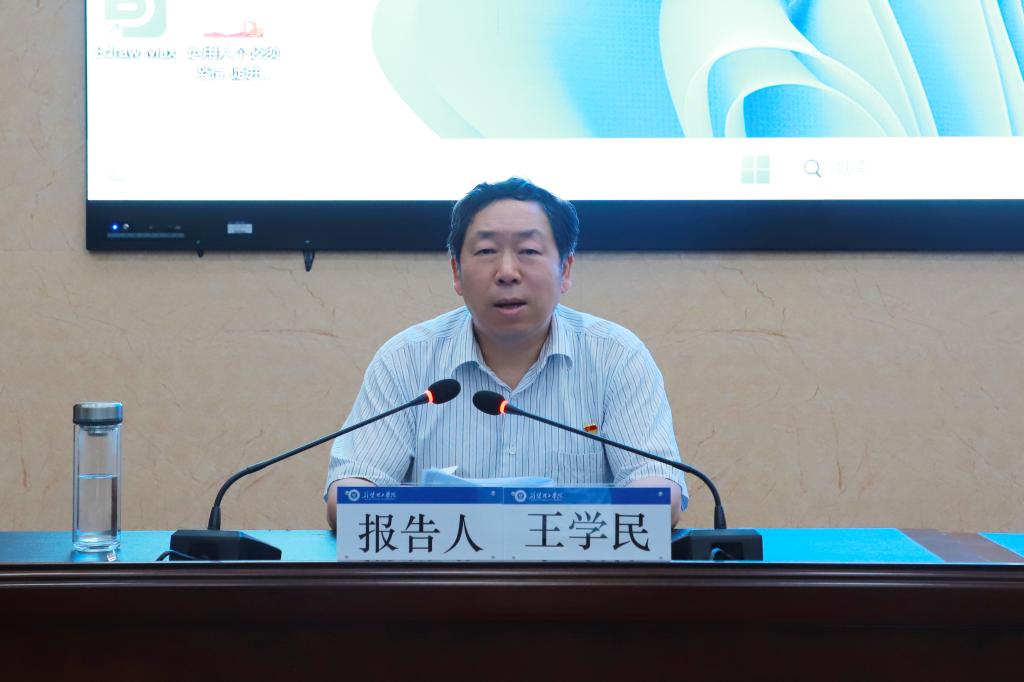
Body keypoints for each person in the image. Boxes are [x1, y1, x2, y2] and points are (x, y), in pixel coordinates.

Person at [325, 178, 687, 529]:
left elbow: (657, 493)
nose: (507, 272)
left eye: (529, 251)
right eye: (486, 252)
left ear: (565, 270)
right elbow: (349, 498)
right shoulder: (405, 360)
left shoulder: (616, 357)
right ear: (456, 272)